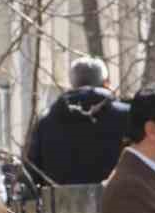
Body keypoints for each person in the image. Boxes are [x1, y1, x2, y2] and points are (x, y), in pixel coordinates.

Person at [25, 55, 129, 186]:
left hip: (62, 204)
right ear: (106, 83)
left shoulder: (46, 123)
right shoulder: (127, 117)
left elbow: (31, 176)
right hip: (118, 202)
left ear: (72, 84)